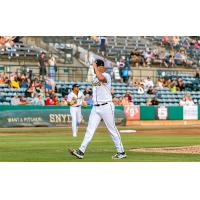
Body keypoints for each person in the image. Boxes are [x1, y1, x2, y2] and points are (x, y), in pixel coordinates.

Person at [69, 59, 126, 159]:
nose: (94, 68)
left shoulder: (106, 75)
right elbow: (98, 90)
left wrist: (94, 67)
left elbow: (101, 78)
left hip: (106, 106)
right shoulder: (95, 78)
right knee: (89, 130)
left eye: (96, 66)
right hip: (96, 107)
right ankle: (81, 151)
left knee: (112, 129)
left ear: (101, 67)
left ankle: (121, 152)